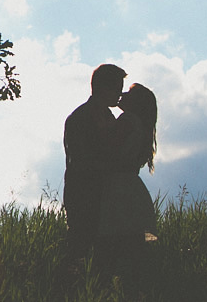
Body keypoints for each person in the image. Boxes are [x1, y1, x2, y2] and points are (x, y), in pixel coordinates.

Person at [63, 63, 126, 263]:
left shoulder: (109, 117)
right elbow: (80, 161)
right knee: (81, 251)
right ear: (101, 88)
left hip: (104, 197)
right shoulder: (80, 118)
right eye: (117, 89)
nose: (120, 94)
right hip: (84, 196)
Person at [97, 83, 158, 277]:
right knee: (131, 253)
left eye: (129, 94)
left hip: (118, 190)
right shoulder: (140, 125)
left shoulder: (127, 120)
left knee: (111, 248)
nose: (122, 94)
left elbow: (107, 151)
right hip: (131, 189)